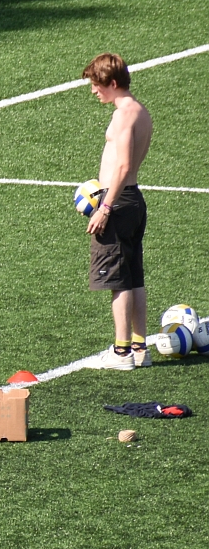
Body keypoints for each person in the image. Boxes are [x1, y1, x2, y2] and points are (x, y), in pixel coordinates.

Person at [83, 53, 154, 370]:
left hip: (119, 202)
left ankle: (121, 352)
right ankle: (140, 348)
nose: (93, 91)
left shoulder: (124, 114)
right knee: (134, 276)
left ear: (112, 83)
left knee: (119, 279)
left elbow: (123, 165)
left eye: (97, 85)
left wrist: (105, 207)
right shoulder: (141, 111)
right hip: (133, 199)